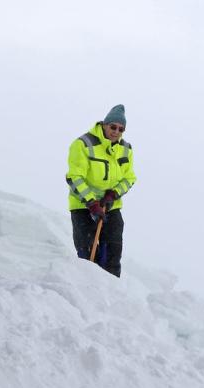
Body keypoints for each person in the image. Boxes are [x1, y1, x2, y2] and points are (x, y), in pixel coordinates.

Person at [65, 104, 136, 277]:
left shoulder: (126, 149)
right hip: (83, 206)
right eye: (113, 127)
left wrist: (114, 194)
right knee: (87, 252)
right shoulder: (83, 144)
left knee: (112, 251)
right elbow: (74, 177)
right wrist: (91, 202)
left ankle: (110, 290)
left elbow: (129, 178)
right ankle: (86, 288)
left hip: (110, 206)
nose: (116, 131)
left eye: (121, 129)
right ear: (105, 124)